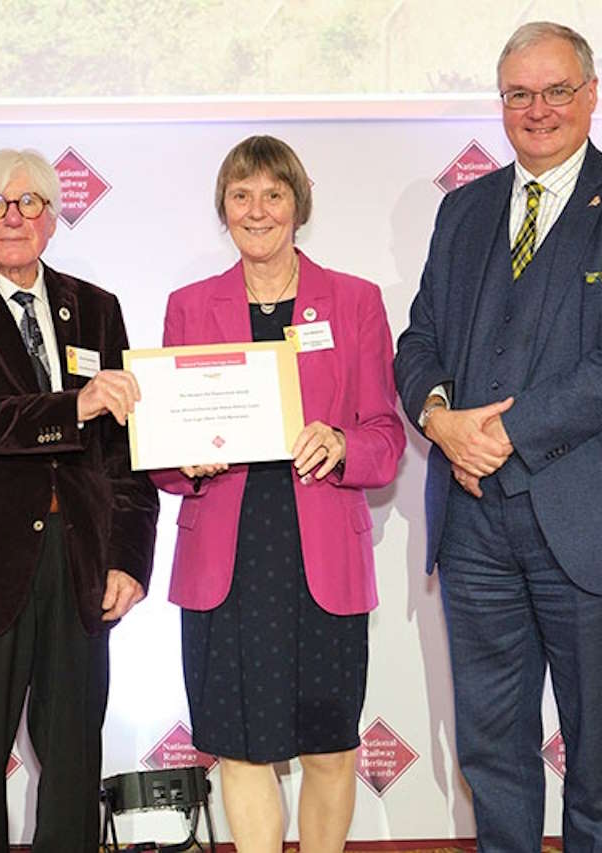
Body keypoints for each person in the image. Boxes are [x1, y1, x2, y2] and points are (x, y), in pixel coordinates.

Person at [393, 21, 602, 853]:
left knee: (598, 755)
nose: (538, 109)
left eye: (557, 90)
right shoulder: (465, 209)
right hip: (477, 530)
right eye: (520, 94)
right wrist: (441, 417)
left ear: (592, 95)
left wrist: (505, 432)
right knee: (492, 752)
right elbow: (419, 341)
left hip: (594, 525)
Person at [0, 148, 159, 852]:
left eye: (30, 202)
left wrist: (129, 556)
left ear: (52, 217)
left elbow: (125, 451)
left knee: (74, 757)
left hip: (78, 565)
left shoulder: (97, 309)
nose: (12, 217)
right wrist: (75, 407)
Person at [152, 135, 405, 852]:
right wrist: (186, 460)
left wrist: (344, 445)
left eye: (272, 194)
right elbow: (163, 455)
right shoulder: (190, 306)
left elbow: (386, 436)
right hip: (227, 560)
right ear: (222, 209)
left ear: (299, 204)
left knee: (328, 746)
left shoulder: (354, 302)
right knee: (240, 747)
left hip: (318, 556)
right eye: (241, 195)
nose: (256, 210)